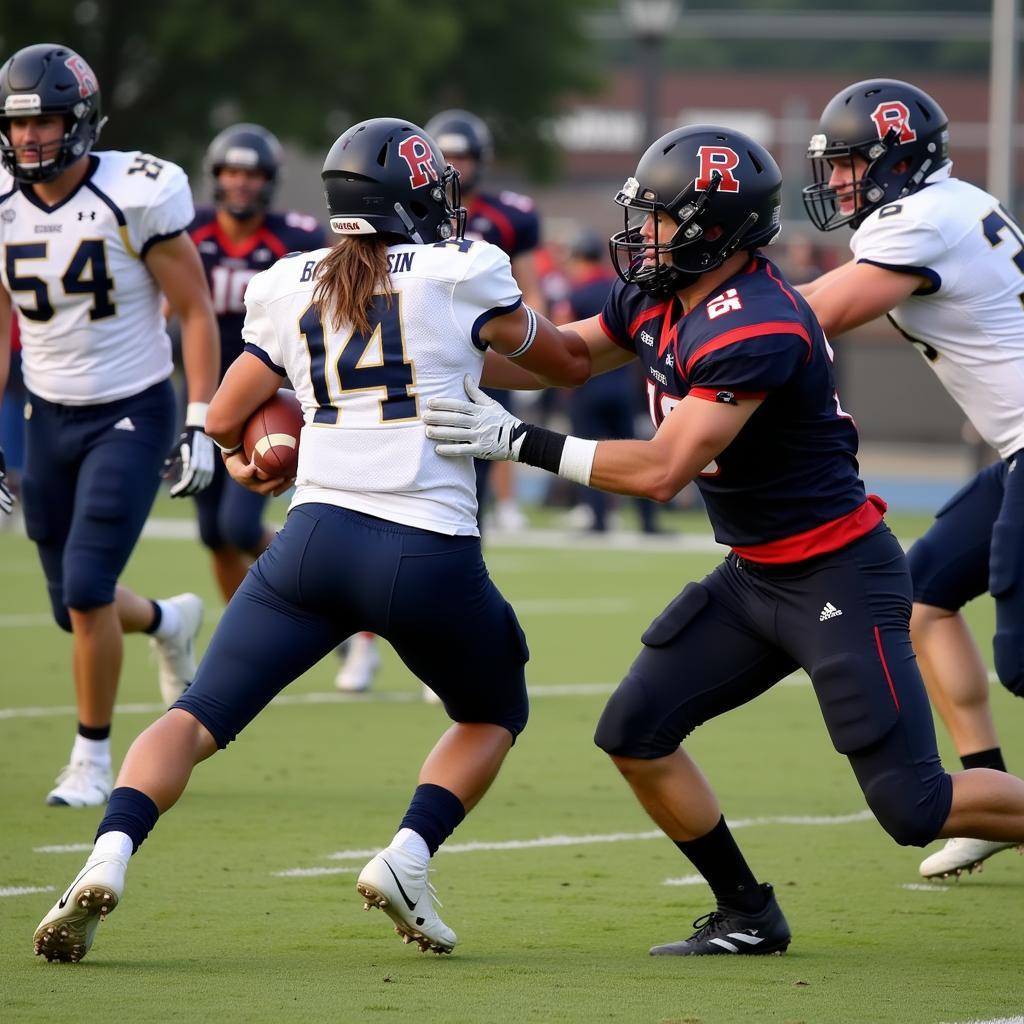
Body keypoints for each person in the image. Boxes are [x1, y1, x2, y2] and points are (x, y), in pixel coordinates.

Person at [422, 123, 1024, 955]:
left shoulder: (760, 325)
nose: (645, 234)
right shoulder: (659, 294)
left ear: (713, 228)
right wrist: (431, 350)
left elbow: (664, 468)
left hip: (837, 576)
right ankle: (747, 912)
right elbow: (562, 360)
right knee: (633, 734)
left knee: (911, 807)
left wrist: (520, 442)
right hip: (755, 577)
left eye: (663, 218)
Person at [33, 116, 589, 963]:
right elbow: (565, 364)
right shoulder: (460, 272)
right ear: (412, 198)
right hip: (423, 548)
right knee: (494, 709)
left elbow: (223, 415)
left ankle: (107, 854)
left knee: (195, 716)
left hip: (312, 542)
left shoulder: (291, 280)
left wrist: (251, 462)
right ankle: (408, 855)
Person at [799, 78, 1024, 879]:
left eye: (851, 165)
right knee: (924, 594)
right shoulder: (953, 202)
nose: (837, 183)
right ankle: (994, 795)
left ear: (897, 162)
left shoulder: (920, 219)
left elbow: (811, 317)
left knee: (1023, 657)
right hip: (1017, 447)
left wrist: (705, 314)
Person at [0, 44, 219, 807]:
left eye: (47, 121)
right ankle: (167, 621)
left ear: (81, 120)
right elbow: (1, 319)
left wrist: (199, 420)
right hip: (45, 409)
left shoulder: (136, 190)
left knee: (89, 588)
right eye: (19, 124)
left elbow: (194, 311)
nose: (30, 138)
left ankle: (92, 758)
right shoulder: (2, 199)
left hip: (132, 406)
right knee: (71, 606)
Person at [189, 123, 325, 602]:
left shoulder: (296, 238)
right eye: (231, 171)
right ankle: (241, 637)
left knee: (238, 527)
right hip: (202, 394)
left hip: (268, 392)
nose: (241, 182)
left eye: (251, 172)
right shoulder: (189, 230)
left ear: (269, 179)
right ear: (216, 176)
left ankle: (329, 605)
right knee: (214, 535)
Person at [552, 227, 658, 534]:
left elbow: (560, 338)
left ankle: (598, 519)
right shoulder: (619, 287)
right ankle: (648, 522)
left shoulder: (574, 292)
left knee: (587, 454)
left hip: (586, 386)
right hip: (621, 385)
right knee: (636, 456)